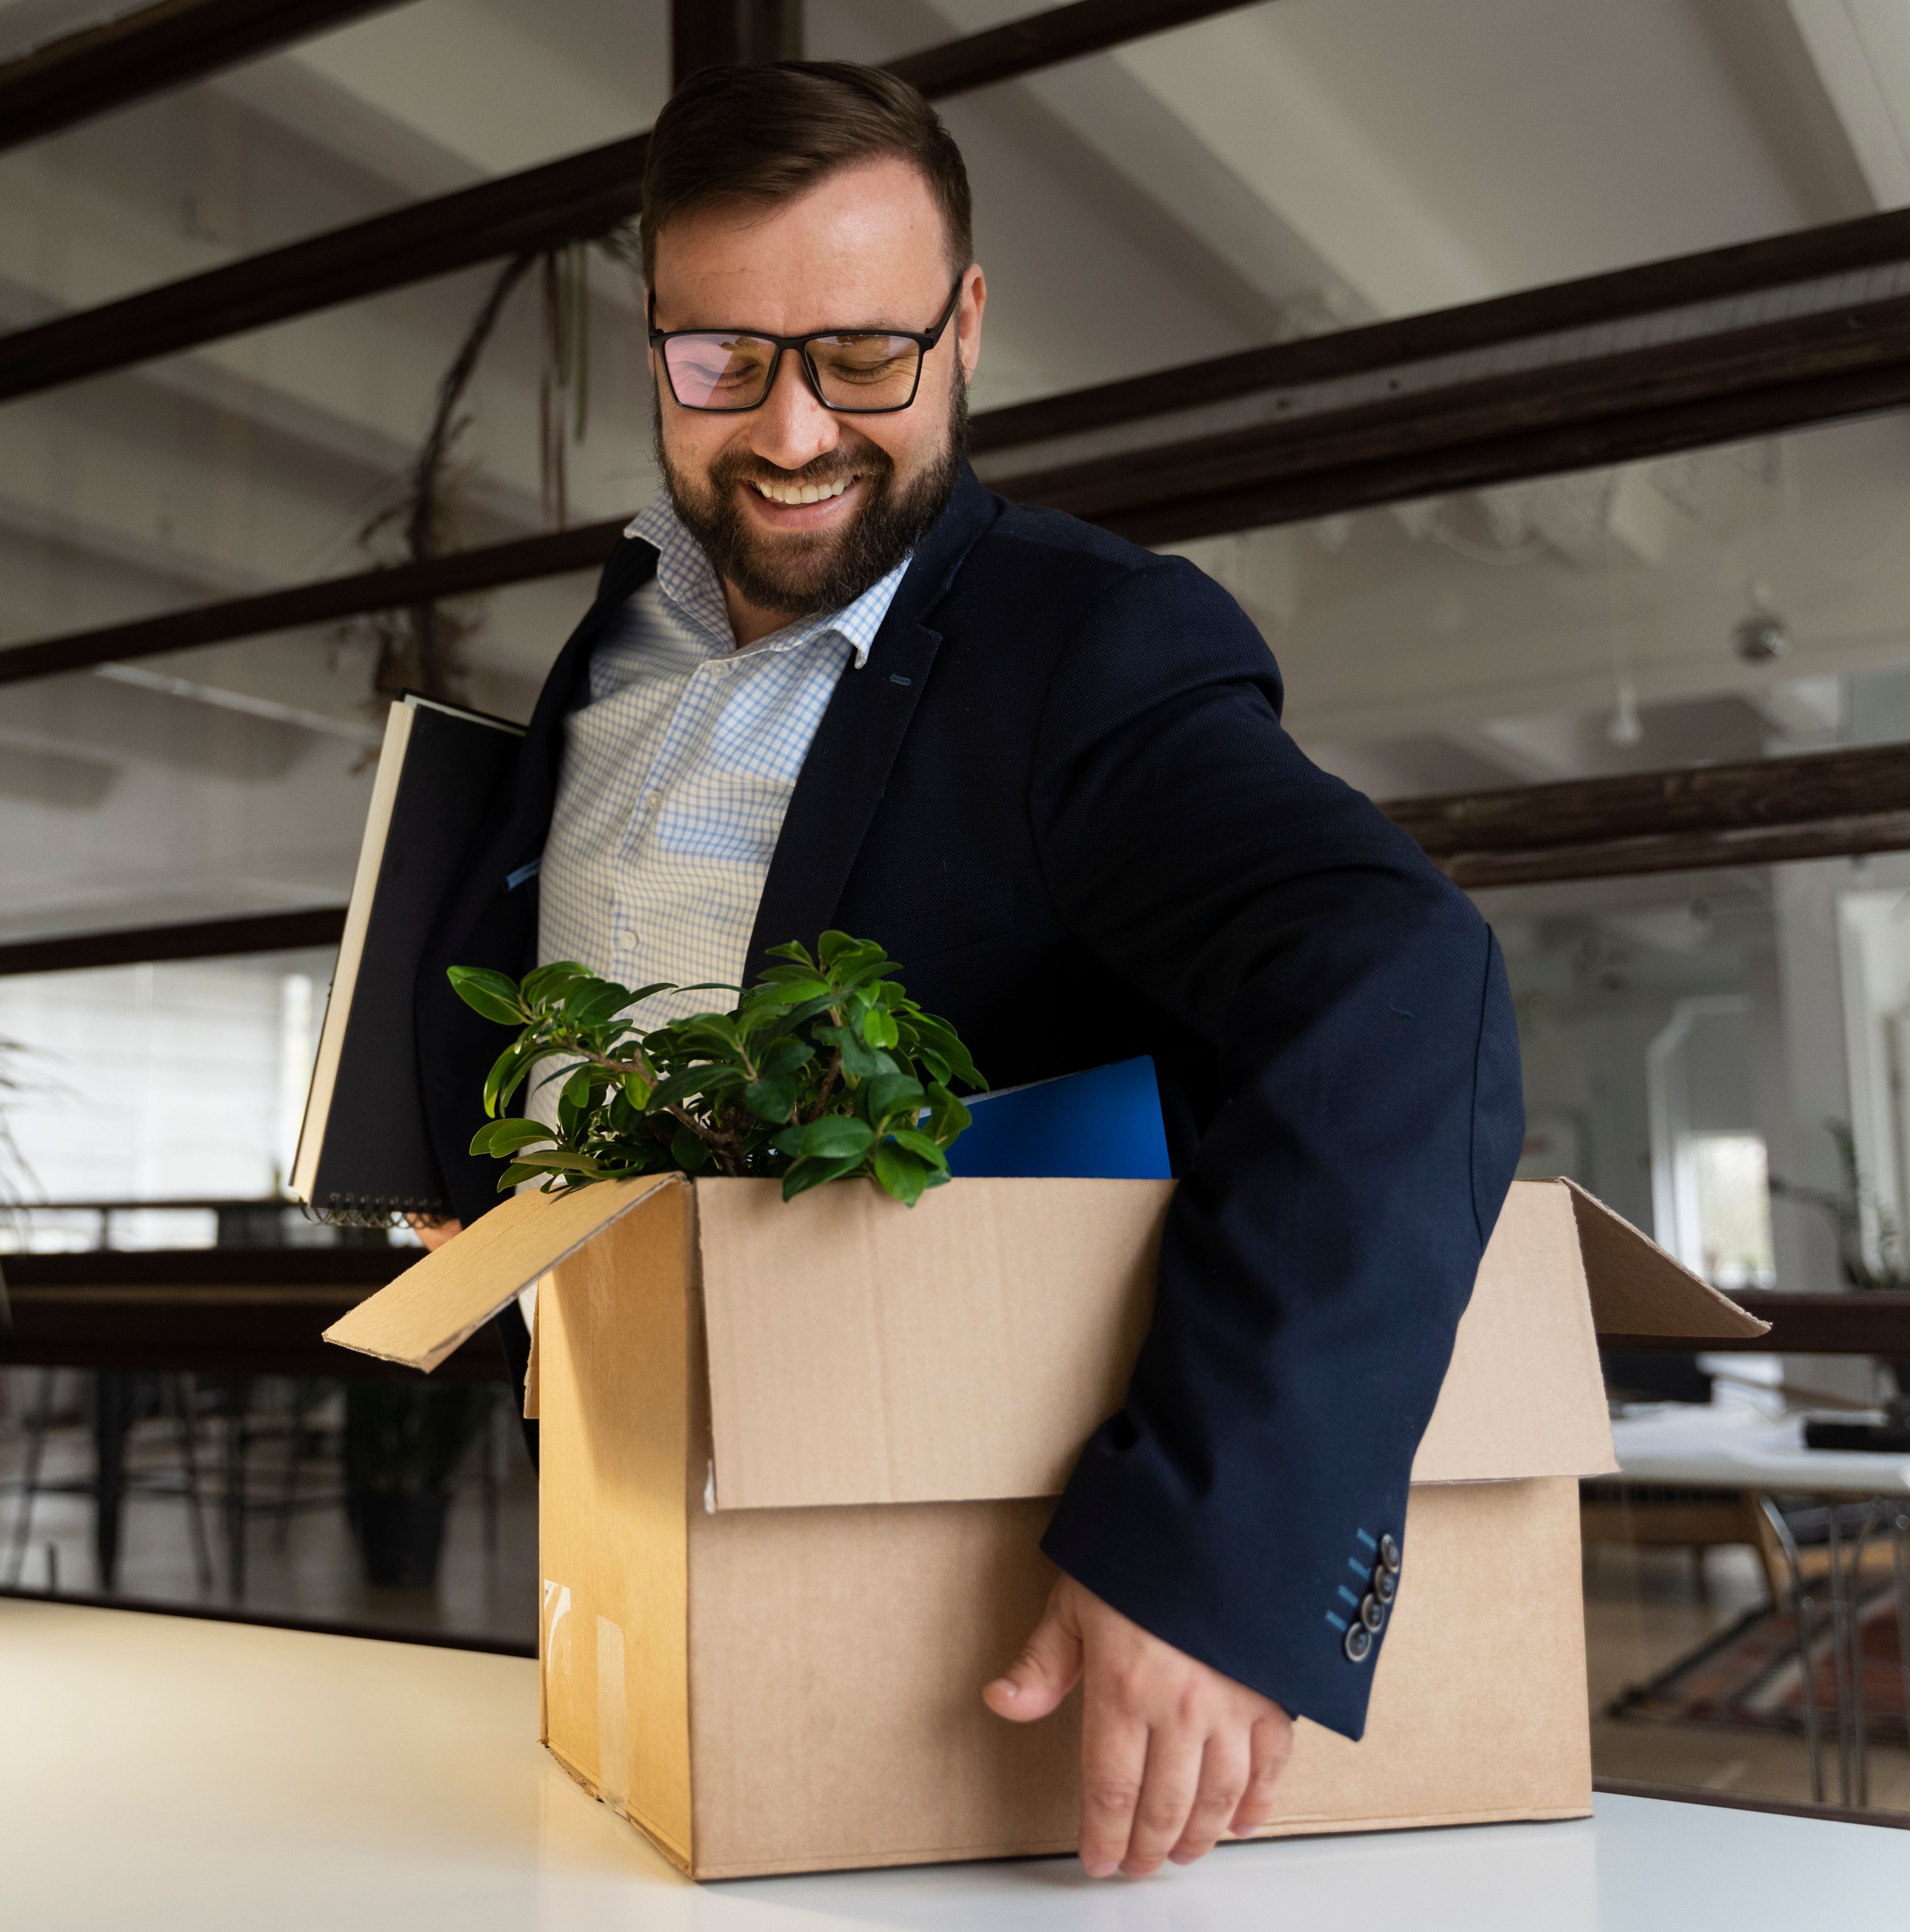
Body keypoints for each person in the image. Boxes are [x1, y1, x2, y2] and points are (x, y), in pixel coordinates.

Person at [407, 61, 1522, 1880]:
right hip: (616, 1543)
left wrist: (1217, 1550)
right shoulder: (611, 649)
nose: (788, 432)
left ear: (969, 327)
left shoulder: (1086, 646)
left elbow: (1402, 983)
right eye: (724, 359)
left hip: (986, 1655)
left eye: (862, 357)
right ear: (655, 341)